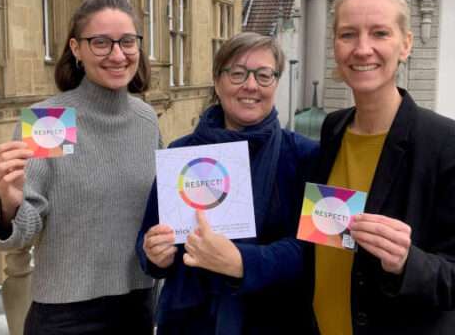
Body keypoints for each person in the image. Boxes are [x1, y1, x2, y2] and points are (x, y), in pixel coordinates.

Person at [0, 0, 159, 334]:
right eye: (101, 42)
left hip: (137, 305)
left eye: (127, 41)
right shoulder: (52, 119)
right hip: (65, 313)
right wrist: (9, 205)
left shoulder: (145, 120)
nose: (118, 55)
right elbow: (20, 232)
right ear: (77, 49)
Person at [311, 0, 455, 334]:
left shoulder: (449, 142)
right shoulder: (332, 128)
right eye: (348, 34)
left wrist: (408, 262)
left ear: (405, 44)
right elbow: (325, 240)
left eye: (379, 33)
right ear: (335, 45)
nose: (362, 48)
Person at [137, 32, 319, 335]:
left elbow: (315, 252)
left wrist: (242, 262)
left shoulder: (305, 156)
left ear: (276, 83)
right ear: (217, 81)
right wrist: (154, 253)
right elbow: (149, 238)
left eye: (264, 75)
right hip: (190, 324)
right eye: (237, 74)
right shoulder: (180, 154)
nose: (251, 85)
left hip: (274, 322)